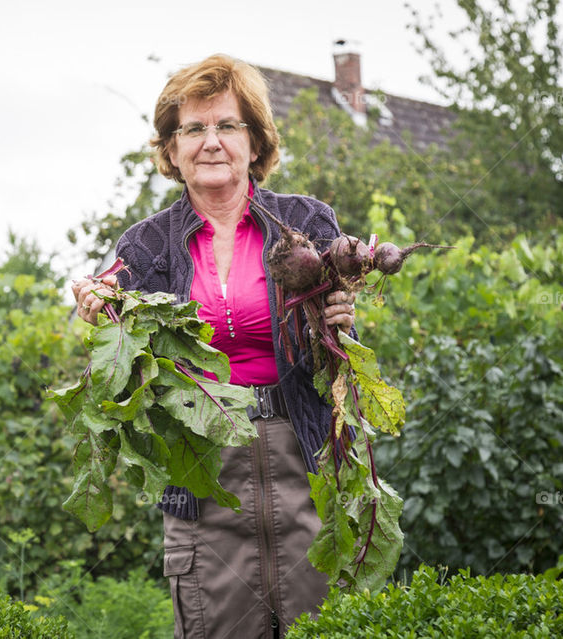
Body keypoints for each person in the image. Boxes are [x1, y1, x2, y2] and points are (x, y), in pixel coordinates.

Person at [71, 53, 357, 639]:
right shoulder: (146, 245)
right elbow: (118, 344)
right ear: (171, 150)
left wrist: (341, 317)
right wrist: (101, 311)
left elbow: (340, 349)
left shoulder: (306, 224)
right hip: (205, 482)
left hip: (304, 467)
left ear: (256, 142)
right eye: (193, 129)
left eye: (226, 125)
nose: (211, 142)